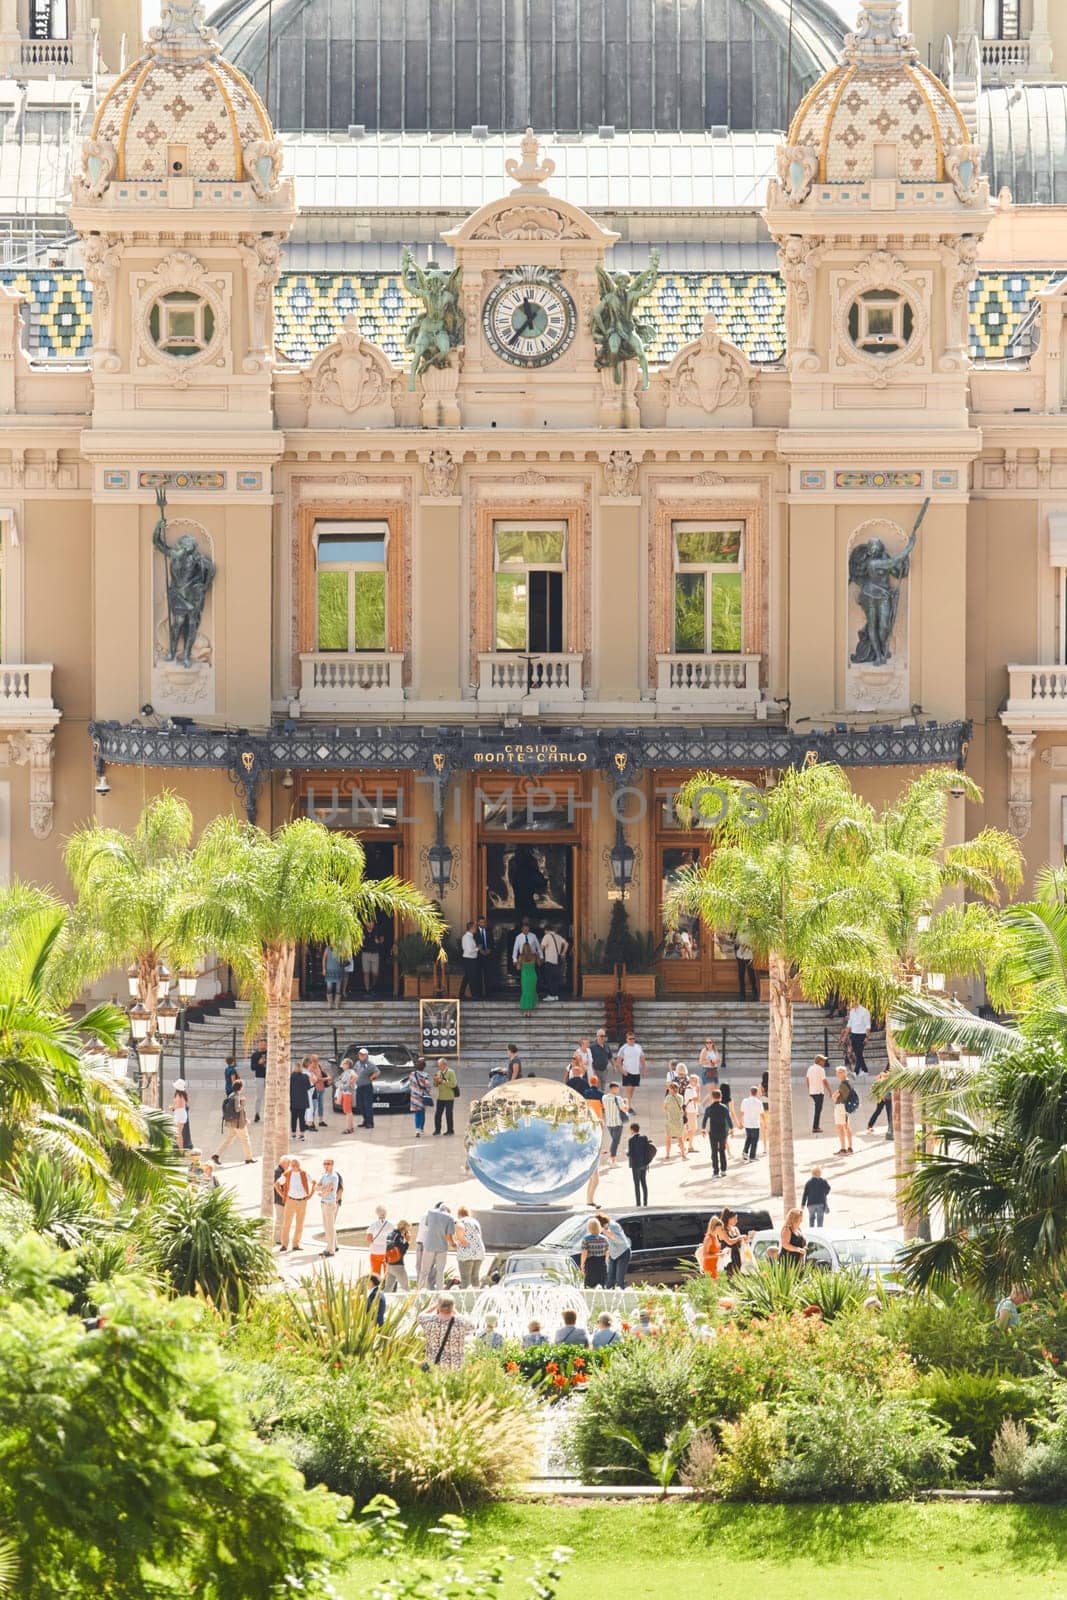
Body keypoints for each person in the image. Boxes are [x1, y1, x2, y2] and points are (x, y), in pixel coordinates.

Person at [417, 1294, 473, 1371]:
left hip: (434, 1364)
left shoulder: (429, 1320)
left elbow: (420, 1316)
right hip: (455, 1365)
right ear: (453, 1306)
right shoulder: (461, 1321)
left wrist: (434, 1306)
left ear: (438, 1306)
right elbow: (471, 1327)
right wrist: (454, 1310)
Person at [213, 1073, 255, 1166]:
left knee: (230, 1138)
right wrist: (243, 1104)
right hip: (238, 1123)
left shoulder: (231, 1095)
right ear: (241, 1088)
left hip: (231, 1122)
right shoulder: (236, 1097)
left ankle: (216, 1155)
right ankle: (249, 1158)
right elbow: (237, 1109)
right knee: (245, 1139)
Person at [278, 1155, 312, 1251]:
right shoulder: (287, 1174)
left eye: (296, 1165)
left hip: (302, 1201)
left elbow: (313, 1182)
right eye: (292, 1165)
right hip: (291, 1201)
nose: (294, 1167)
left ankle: (295, 1244)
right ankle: (284, 1244)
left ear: (299, 1165)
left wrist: (310, 1195)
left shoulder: (304, 1173)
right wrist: (283, 1195)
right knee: (286, 1224)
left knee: (299, 1224)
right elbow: (277, 1184)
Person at [418, 1200, 453, 1288]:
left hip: (429, 1246)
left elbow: (427, 1225)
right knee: (440, 1271)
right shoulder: (450, 1218)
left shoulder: (430, 1213)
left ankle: (421, 1290)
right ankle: (439, 1290)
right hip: (442, 1247)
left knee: (424, 1270)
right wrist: (454, 1245)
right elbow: (449, 1236)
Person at [453, 1205, 486, 1287]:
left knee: (465, 1278)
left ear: (459, 1214)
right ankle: (477, 1296)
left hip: (466, 1253)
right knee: (475, 1277)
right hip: (479, 1252)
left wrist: (461, 1240)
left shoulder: (462, 1221)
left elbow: (459, 1227)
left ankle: (467, 1298)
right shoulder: (475, 1222)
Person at [598, 1212, 632, 1289]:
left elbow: (618, 1240)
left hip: (623, 1253)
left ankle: (623, 1294)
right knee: (609, 1280)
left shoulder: (613, 1226)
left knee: (619, 1279)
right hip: (613, 1254)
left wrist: (604, 1231)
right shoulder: (603, 1229)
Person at [703, 1087, 732, 1177]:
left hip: (713, 1132)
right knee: (722, 1151)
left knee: (714, 1151)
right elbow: (728, 1119)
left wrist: (703, 1129)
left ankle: (715, 1171)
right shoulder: (724, 1108)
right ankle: (723, 1170)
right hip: (722, 1132)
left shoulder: (709, 1108)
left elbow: (705, 1119)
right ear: (721, 1097)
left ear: (712, 1097)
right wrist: (731, 1128)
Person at [317, 1157, 342, 1256]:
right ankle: (328, 1247)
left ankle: (331, 1250)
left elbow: (329, 1189)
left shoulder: (333, 1176)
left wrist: (322, 1191)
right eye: (324, 1163)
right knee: (326, 1226)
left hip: (330, 1203)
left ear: (332, 1165)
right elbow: (316, 1187)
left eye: (328, 1164)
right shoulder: (325, 1176)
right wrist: (323, 1190)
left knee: (330, 1227)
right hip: (323, 1203)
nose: (326, 1166)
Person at [615, 1031, 646, 1110]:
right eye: (630, 1039)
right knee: (628, 1090)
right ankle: (628, 1107)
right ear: (626, 1039)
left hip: (636, 1072)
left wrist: (643, 1069)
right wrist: (622, 1071)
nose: (632, 1040)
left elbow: (642, 1059)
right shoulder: (623, 1048)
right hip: (627, 1072)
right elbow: (618, 1061)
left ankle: (625, 1104)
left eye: (633, 1038)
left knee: (632, 1090)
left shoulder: (638, 1047)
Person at [627, 1122, 655, 1206]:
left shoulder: (631, 1140)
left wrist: (626, 1153)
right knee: (644, 1183)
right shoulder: (644, 1138)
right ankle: (645, 1202)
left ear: (632, 1130)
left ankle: (638, 1204)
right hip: (644, 1164)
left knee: (637, 1185)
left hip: (636, 1165)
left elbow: (631, 1154)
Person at [601, 1080, 628, 1164]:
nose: (618, 1090)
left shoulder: (604, 1097)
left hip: (609, 1123)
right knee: (615, 1142)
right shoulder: (618, 1098)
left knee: (615, 1141)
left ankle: (611, 1157)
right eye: (617, 1088)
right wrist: (626, 1102)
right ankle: (613, 1160)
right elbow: (625, 1109)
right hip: (617, 1123)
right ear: (613, 1088)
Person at [579, 1217, 610, 1288]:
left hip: (590, 1265)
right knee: (601, 1286)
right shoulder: (604, 1239)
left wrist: (582, 1265)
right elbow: (607, 1252)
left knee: (589, 1286)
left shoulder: (586, 1239)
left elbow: (584, 1254)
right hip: (602, 1264)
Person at [540, 925, 569, 1000]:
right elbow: (566, 944)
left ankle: (551, 995)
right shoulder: (558, 936)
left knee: (549, 978)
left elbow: (542, 947)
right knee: (556, 979)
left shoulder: (547, 936)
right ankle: (555, 995)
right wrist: (563, 953)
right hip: (557, 961)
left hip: (549, 960)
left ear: (546, 930)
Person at [383, 1219, 413, 1290]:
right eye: (407, 1230)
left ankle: (384, 1300)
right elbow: (402, 1251)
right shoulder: (399, 1237)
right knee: (406, 1288)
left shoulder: (390, 1235)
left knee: (388, 1288)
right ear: (404, 1228)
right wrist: (407, 1242)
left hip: (389, 1265)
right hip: (398, 1266)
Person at [354, 1048, 380, 1130]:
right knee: (360, 1105)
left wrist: (372, 1077)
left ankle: (370, 1122)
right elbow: (354, 1071)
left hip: (367, 1086)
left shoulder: (370, 1064)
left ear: (366, 1055)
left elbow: (377, 1072)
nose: (361, 1056)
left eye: (363, 1055)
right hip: (359, 1086)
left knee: (367, 1105)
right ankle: (365, 1120)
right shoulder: (357, 1063)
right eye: (360, 1054)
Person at [833, 1064, 856, 1154]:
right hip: (847, 1107)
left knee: (840, 1127)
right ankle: (850, 1147)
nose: (838, 1074)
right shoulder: (849, 1082)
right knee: (846, 1126)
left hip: (841, 1106)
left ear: (845, 1073)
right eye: (837, 1072)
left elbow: (835, 1096)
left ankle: (843, 1149)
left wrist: (834, 1098)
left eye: (840, 1072)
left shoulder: (843, 1084)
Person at [662, 1081, 687, 1161]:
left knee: (668, 1138)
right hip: (679, 1120)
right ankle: (683, 1153)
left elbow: (664, 1108)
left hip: (670, 1120)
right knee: (680, 1138)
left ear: (671, 1089)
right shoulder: (681, 1097)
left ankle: (667, 1154)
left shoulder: (668, 1098)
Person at [432, 1057, 458, 1135]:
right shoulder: (438, 1072)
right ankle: (437, 1130)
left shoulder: (451, 1072)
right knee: (437, 1114)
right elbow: (435, 1085)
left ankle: (450, 1130)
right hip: (440, 1097)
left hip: (449, 1097)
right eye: (438, 1065)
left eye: (440, 1065)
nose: (439, 1067)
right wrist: (435, 1081)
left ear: (444, 1065)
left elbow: (453, 1084)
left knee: (448, 1114)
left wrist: (443, 1081)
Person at [867, 1067, 894, 1139]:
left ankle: (890, 1128)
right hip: (883, 1098)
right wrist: (881, 1096)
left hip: (888, 1098)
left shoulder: (891, 1077)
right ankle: (870, 1125)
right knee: (879, 1111)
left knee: (889, 1113)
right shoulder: (882, 1076)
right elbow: (876, 1086)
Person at [409, 1056, 433, 1137]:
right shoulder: (426, 1075)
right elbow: (428, 1086)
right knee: (422, 1113)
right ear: (424, 1067)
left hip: (414, 1097)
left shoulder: (412, 1074)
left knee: (417, 1113)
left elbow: (410, 1085)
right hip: (422, 1096)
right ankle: (421, 1129)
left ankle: (417, 1129)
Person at [716, 1209, 744, 1277]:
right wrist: (740, 1237)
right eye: (735, 1219)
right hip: (727, 1259)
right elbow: (729, 1242)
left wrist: (746, 1238)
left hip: (738, 1257)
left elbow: (740, 1242)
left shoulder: (735, 1229)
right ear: (728, 1219)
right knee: (729, 1277)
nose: (736, 1221)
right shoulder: (721, 1229)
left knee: (739, 1277)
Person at [847, 999, 872, 1075]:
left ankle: (856, 1072)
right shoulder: (852, 1011)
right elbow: (849, 1024)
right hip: (853, 1034)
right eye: (851, 1001)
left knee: (859, 1053)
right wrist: (845, 1036)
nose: (851, 1003)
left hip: (861, 1035)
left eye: (852, 1001)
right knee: (858, 1054)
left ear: (857, 1001)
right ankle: (865, 1070)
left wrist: (867, 1037)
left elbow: (868, 1025)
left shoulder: (865, 1011)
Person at [366, 1203, 392, 1277]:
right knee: (387, 1274)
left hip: (375, 1252)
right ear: (386, 1213)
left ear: (377, 1213)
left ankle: (376, 1287)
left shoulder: (373, 1225)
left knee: (375, 1274)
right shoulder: (390, 1225)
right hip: (387, 1252)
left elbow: (369, 1239)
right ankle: (386, 1286)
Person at [739, 1083, 763, 1162]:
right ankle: (752, 1156)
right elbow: (761, 1114)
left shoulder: (745, 1101)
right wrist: (765, 1123)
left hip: (747, 1124)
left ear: (750, 1092)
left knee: (748, 1138)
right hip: (755, 1124)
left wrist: (740, 1122)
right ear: (756, 1093)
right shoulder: (759, 1102)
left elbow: (742, 1113)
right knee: (754, 1140)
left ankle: (745, 1153)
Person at [806, 1054, 829, 1134]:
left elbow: (807, 1079)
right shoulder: (821, 1070)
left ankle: (816, 1126)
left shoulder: (810, 1068)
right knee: (818, 1110)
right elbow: (824, 1081)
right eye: (823, 1060)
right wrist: (829, 1091)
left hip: (812, 1091)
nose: (824, 1062)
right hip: (819, 1092)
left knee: (817, 1110)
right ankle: (815, 1127)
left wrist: (809, 1089)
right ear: (819, 1061)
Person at [289, 1061, 311, 1140]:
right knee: (302, 1118)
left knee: (293, 1118)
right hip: (303, 1100)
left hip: (293, 1100)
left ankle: (293, 1134)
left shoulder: (291, 1077)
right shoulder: (305, 1076)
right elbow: (308, 1087)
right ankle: (302, 1135)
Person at [458, 920, 481, 999]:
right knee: (471, 977)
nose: (476, 929)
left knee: (468, 977)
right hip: (469, 959)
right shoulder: (466, 937)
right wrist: (477, 948)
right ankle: (473, 994)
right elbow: (469, 950)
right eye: (475, 927)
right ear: (471, 928)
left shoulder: (470, 937)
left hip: (472, 959)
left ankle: (462, 993)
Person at [360, 922, 384, 994]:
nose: (370, 925)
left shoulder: (377, 930)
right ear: (366, 923)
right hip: (365, 953)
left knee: (375, 973)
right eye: (369, 923)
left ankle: (372, 986)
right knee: (366, 972)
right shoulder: (362, 930)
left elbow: (382, 939)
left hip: (375, 954)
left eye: (372, 923)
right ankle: (367, 990)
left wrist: (378, 942)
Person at [307, 1053, 329, 1128]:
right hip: (314, 1090)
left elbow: (324, 1073)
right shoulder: (310, 1068)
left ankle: (320, 1121)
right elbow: (316, 1079)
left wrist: (328, 1076)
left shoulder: (319, 1066)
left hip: (321, 1088)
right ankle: (311, 1122)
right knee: (313, 1106)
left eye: (317, 1060)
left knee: (321, 1106)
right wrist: (326, 1079)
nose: (316, 1062)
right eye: (314, 1061)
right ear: (311, 1061)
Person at [272, 1156, 290, 1244]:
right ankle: (277, 1239)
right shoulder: (278, 1172)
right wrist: (283, 1196)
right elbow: (276, 1186)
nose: (289, 1165)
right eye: (288, 1163)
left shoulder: (281, 1171)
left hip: (281, 1199)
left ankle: (280, 1238)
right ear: (283, 1163)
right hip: (279, 1200)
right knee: (280, 1219)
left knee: (282, 1219)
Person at [337, 1056, 357, 1134]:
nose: (342, 1065)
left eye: (344, 1063)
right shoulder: (344, 1073)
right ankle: (351, 1127)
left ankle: (349, 1128)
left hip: (347, 1093)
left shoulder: (350, 1071)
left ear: (347, 1065)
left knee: (348, 1111)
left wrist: (350, 1083)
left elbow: (355, 1077)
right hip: (345, 1092)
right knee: (348, 1111)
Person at [517, 941, 539, 1012]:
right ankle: (530, 1011)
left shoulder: (521, 956)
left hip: (525, 977)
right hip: (533, 976)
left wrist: (519, 963)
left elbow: (518, 968)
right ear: (530, 948)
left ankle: (526, 1012)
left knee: (525, 992)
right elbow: (539, 964)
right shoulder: (534, 956)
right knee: (531, 992)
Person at [474, 916, 493, 997]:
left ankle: (488, 992)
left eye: (484, 922)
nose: (483, 924)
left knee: (488, 974)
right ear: (478, 923)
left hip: (488, 956)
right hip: (478, 956)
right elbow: (474, 944)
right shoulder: (475, 932)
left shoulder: (489, 931)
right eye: (481, 922)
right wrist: (481, 951)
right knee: (478, 975)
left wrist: (489, 949)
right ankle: (479, 993)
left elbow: (492, 942)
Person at [250, 1037, 267, 1123]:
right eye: (261, 1044)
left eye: (264, 1044)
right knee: (258, 1097)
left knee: (269, 1097)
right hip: (259, 1077)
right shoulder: (255, 1055)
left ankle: (268, 1114)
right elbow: (252, 1068)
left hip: (269, 1077)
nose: (263, 1046)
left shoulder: (270, 1053)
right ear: (258, 1045)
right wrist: (259, 1063)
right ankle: (257, 1114)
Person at [171, 1081, 191, 1151]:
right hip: (179, 1114)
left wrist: (173, 1108)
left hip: (180, 1114)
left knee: (178, 1133)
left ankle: (180, 1150)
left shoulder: (180, 1095)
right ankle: (179, 1149)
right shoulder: (180, 1094)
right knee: (178, 1133)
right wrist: (173, 1107)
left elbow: (180, 1105)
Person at [322, 945, 344, 1009]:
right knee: (329, 988)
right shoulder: (327, 948)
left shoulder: (340, 948)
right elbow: (324, 958)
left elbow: (343, 958)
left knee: (338, 988)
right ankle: (330, 1003)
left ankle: (337, 1004)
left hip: (338, 970)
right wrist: (324, 969)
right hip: (329, 970)